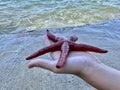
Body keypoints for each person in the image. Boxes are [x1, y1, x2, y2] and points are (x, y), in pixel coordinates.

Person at [27, 35, 120, 90]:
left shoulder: (66, 43)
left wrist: (88, 66)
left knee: (58, 53)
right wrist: (92, 67)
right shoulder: (68, 42)